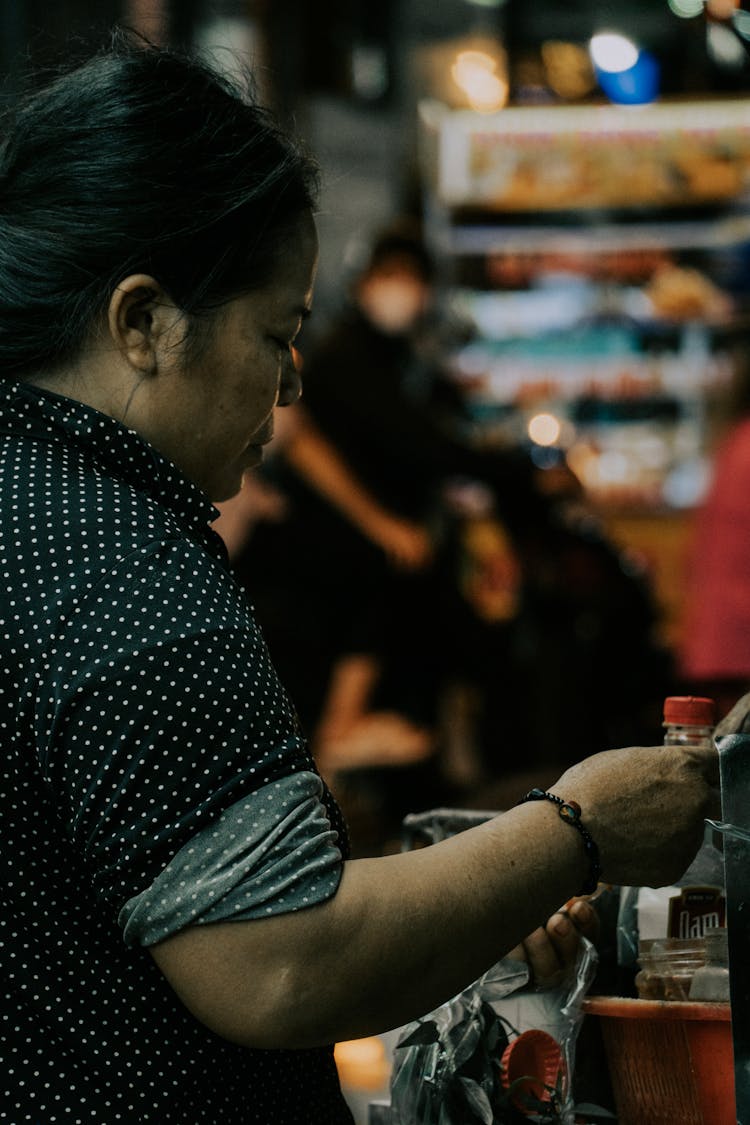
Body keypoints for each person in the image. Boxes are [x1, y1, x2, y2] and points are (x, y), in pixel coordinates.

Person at [0, 34, 723, 1125]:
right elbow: (285, 959)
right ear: (144, 323)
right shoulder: (119, 560)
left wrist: (487, 882)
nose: (292, 384)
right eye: (274, 333)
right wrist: (573, 829)